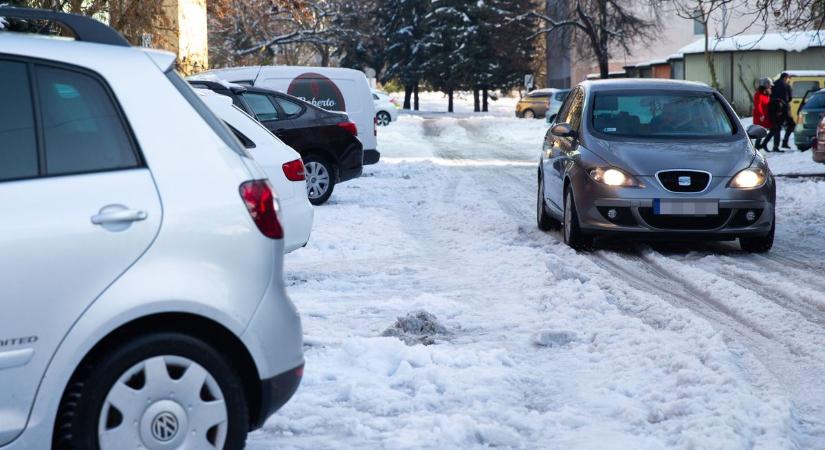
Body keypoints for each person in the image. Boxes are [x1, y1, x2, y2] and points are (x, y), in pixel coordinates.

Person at [770, 72, 795, 149]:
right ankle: (785, 142)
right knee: (792, 124)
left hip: (775, 109)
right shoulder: (786, 86)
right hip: (785, 108)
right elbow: (789, 98)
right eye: (788, 78)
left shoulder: (773, 85)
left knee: (777, 127)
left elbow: (770, 96)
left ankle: (775, 145)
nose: (788, 80)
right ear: (785, 78)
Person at [752, 78, 773, 150]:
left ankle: (762, 145)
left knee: (769, 130)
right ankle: (757, 146)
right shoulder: (758, 94)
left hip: (766, 115)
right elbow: (758, 105)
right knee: (761, 131)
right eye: (769, 85)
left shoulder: (766, 93)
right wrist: (761, 115)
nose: (770, 86)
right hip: (760, 116)